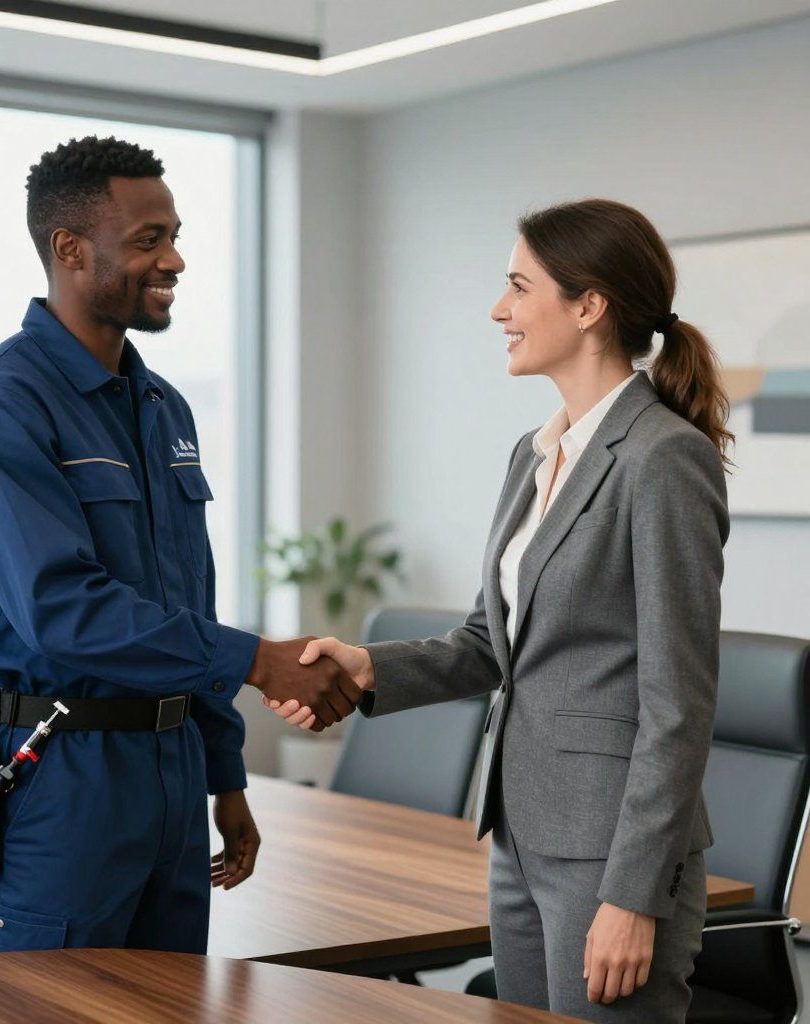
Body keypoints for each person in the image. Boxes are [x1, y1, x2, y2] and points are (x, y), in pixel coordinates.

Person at [267, 198, 732, 1022]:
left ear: (589, 307)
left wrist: (633, 894)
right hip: (518, 833)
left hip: (610, 853)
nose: (499, 310)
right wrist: (371, 666)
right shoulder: (535, 453)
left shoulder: (663, 460)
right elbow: (495, 641)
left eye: (519, 287)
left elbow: (678, 703)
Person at [0, 135, 362, 955]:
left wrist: (224, 776)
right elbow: (63, 610)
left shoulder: (162, 407)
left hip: (172, 770)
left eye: (175, 236)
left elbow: (184, 604)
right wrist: (261, 660)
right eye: (149, 240)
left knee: (173, 1007)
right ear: (69, 248)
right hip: (64, 773)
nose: (176, 260)